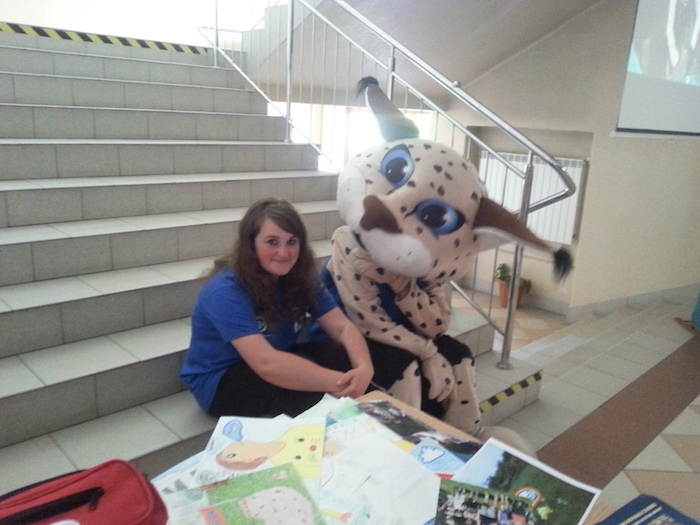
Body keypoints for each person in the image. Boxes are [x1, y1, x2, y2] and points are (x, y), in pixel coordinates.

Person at [181, 198, 374, 418]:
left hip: (274, 355)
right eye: (272, 242)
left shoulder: (300, 277)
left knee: (341, 355)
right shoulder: (225, 291)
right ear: (251, 244)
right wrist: (342, 382)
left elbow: (342, 327)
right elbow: (267, 364)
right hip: (221, 380)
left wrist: (364, 369)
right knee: (308, 390)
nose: (284, 252)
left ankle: (374, 421)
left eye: (292, 242)